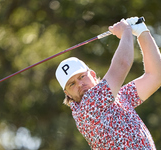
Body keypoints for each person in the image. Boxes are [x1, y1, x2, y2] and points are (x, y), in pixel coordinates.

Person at [55, 17, 161, 149]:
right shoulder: (87, 107)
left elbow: (155, 76)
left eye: (82, 76)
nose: (79, 84)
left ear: (92, 75)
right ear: (68, 94)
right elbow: (123, 64)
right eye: (71, 84)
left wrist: (142, 31)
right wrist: (126, 31)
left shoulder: (119, 97)